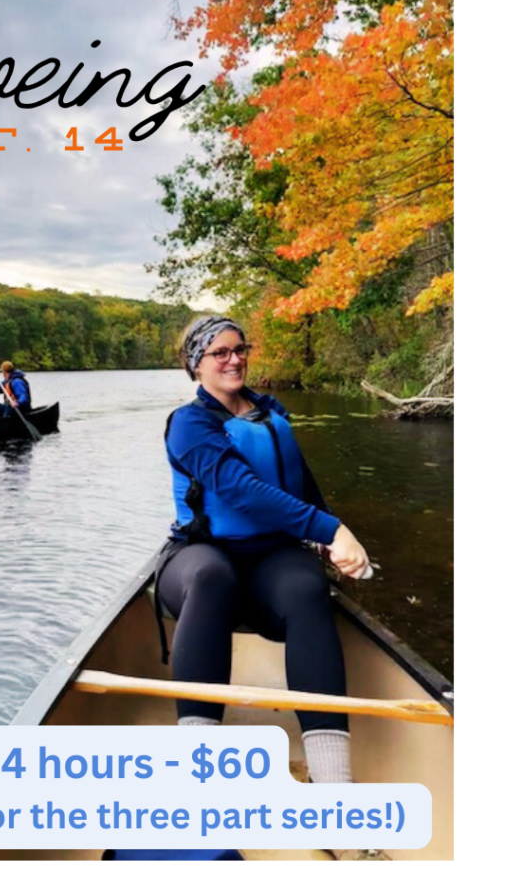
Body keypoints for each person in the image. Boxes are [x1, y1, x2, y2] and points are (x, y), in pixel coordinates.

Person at [159, 316, 372, 790]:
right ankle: (199, 777)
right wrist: (333, 529)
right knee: (214, 578)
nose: (234, 359)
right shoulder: (190, 424)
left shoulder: (267, 413)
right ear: (197, 365)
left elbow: (302, 487)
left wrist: (330, 538)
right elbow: (243, 491)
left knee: (304, 587)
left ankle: (333, 783)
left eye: (240, 349)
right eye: (220, 353)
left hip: (269, 558)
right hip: (199, 558)